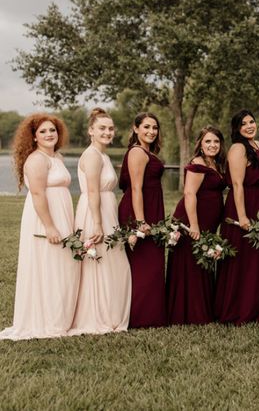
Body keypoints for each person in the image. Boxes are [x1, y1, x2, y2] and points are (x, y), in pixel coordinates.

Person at [0, 114, 80, 340]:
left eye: (52, 130)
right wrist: (49, 226)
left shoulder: (58, 157)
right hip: (45, 217)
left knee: (63, 266)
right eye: (43, 131)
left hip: (62, 213)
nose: (49, 134)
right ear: (34, 137)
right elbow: (37, 193)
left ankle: (61, 317)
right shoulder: (36, 160)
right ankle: (46, 320)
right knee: (48, 265)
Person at [69, 108, 132, 335]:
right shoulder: (92, 155)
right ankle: (99, 314)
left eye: (110, 128)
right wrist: (97, 223)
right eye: (102, 128)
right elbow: (93, 191)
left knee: (113, 263)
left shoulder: (103, 155)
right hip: (95, 213)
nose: (107, 132)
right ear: (90, 131)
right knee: (101, 261)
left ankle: (111, 311)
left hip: (106, 211)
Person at [215, 110, 259, 324]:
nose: (249, 126)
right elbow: (237, 184)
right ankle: (239, 309)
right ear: (236, 128)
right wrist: (242, 216)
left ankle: (257, 306)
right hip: (243, 205)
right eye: (244, 123)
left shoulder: (257, 145)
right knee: (243, 260)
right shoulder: (238, 148)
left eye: (251, 121)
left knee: (258, 260)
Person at [167, 126, 226, 325]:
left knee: (202, 263)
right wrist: (193, 225)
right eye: (208, 141)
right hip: (193, 221)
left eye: (216, 141)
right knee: (191, 265)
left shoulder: (216, 163)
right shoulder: (197, 164)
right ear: (200, 144)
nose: (212, 145)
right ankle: (190, 313)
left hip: (208, 223)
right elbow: (190, 194)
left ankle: (203, 309)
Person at [118, 112, 167, 328]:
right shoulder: (137, 152)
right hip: (139, 211)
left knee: (153, 263)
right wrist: (140, 222)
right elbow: (136, 188)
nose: (151, 131)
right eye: (146, 127)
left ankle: (151, 314)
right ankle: (139, 317)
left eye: (155, 127)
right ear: (136, 128)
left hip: (152, 209)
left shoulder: (148, 151)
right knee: (144, 265)